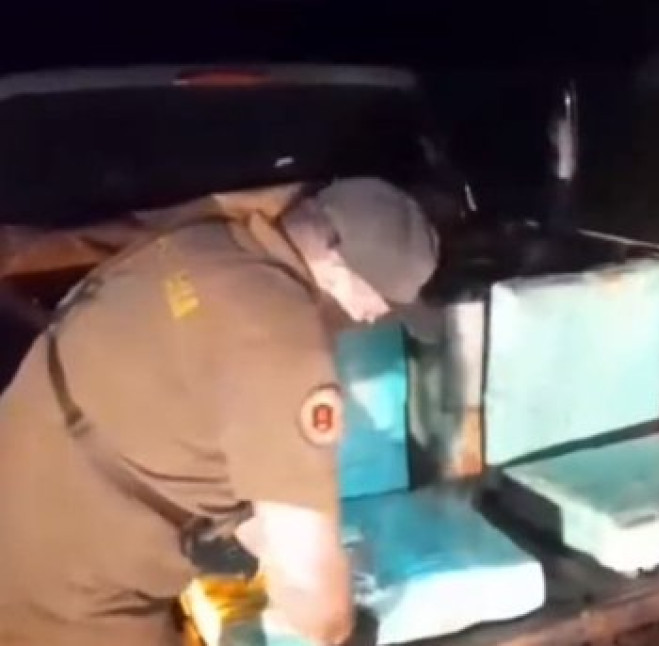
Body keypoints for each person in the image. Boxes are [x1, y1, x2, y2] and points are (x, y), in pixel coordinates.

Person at [0, 177, 439, 646]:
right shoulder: (282, 350)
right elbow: (317, 605)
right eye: (383, 298)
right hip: (67, 593)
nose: (378, 315)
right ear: (335, 263)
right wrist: (342, 625)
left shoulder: (201, 240)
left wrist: (255, 536)